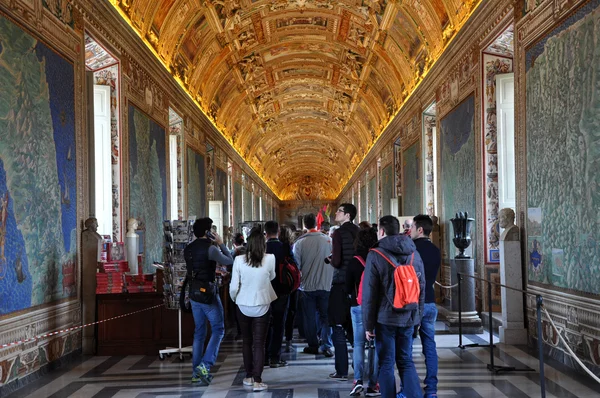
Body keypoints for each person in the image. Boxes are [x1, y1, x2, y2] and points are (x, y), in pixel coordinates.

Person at [362, 215, 425, 398]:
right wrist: (418, 316)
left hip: (385, 319)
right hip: (409, 315)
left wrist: (368, 325)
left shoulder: (375, 254)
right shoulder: (414, 253)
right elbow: (421, 287)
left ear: (381, 231)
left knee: (386, 363)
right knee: (406, 361)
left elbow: (369, 294)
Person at [184, 217, 233, 385]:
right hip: (207, 294)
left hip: (193, 293)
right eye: (211, 229)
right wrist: (220, 243)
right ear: (207, 232)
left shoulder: (188, 249)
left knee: (199, 332)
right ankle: (205, 365)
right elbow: (230, 260)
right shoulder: (211, 249)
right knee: (218, 329)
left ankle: (195, 373)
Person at [230, 228, 278, 392]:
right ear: (263, 244)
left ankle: (249, 376)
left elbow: (233, 286)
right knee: (259, 343)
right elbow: (272, 276)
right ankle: (258, 380)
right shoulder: (270, 258)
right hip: (262, 304)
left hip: (243, 304)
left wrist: (235, 298)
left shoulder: (239, 260)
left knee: (247, 341)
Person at [293, 213, 334, 356]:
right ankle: (327, 344)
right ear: (317, 224)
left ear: (305, 224)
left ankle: (313, 345)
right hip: (326, 284)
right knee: (326, 316)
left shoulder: (299, 243)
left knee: (309, 317)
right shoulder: (328, 240)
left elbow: (296, 265)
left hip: (307, 286)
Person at [409, 215, 441, 398]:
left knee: (406, 349)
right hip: (429, 301)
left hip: (413, 303)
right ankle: (432, 389)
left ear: (419, 229)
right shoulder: (436, 250)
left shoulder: (411, 249)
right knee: (429, 346)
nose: (410, 230)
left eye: (412, 227)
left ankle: (409, 388)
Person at [346, 227, 380, 396]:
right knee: (374, 345)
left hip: (358, 306)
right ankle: (374, 384)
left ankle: (358, 380)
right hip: (376, 307)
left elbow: (347, 286)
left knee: (358, 344)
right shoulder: (379, 258)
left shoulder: (354, 261)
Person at [328, 203, 360, 380]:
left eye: (339, 211)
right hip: (357, 285)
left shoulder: (338, 233)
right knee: (355, 327)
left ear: (347, 215)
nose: (336, 213)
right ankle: (358, 366)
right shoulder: (359, 231)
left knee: (338, 326)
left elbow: (338, 261)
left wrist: (331, 260)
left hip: (341, 283)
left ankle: (341, 369)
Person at [264, 220, 290, 368]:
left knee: (265, 322)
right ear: (278, 231)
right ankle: (275, 357)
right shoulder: (284, 247)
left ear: (266, 233)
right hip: (281, 289)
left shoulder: (262, 247)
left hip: (264, 289)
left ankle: (265, 355)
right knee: (279, 323)